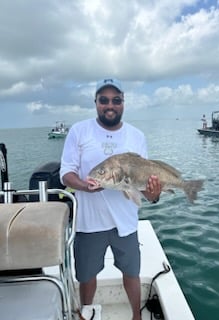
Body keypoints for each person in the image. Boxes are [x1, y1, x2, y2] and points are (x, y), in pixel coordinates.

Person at [60, 78, 162, 320]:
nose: (110, 105)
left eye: (116, 100)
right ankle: (87, 313)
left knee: (131, 273)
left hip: (125, 223)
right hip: (88, 223)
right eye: (103, 100)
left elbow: (142, 185)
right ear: (95, 102)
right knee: (86, 276)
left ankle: (136, 316)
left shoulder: (136, 136)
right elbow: (66, 173)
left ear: (123, 103)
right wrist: (84, 186)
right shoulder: (79, 131)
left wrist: (154, 194)